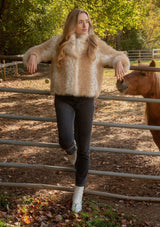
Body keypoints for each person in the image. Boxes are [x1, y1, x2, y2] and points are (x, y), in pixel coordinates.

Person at [23, 8, 130, 213]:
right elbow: (35, 50)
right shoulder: (58, 41)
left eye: (87, 22)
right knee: (65, 138)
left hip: (86, 100)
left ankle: (78, 193)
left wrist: (118, 62)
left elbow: (118, 56)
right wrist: (34, 57)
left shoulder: (95, 43)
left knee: (85, 148)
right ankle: (72, 155)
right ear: (72, 23)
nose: (85, 25)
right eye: (81, 21)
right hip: (63, 98)